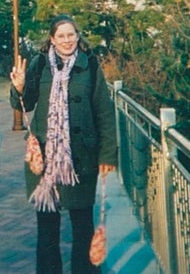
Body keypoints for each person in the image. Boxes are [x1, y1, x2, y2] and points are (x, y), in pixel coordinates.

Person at [10, 15, 117, 274]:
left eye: (71, 35)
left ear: (77, 36)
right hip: (45, 162)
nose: (67, 40)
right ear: (52, 40)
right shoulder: (39, 65)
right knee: (47, 231)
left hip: (80, 159)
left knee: (82, 227)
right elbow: (24, 103)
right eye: (61, 36)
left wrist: (107, 156)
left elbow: (104, 112)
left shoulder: (90, 66)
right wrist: (19, 87)